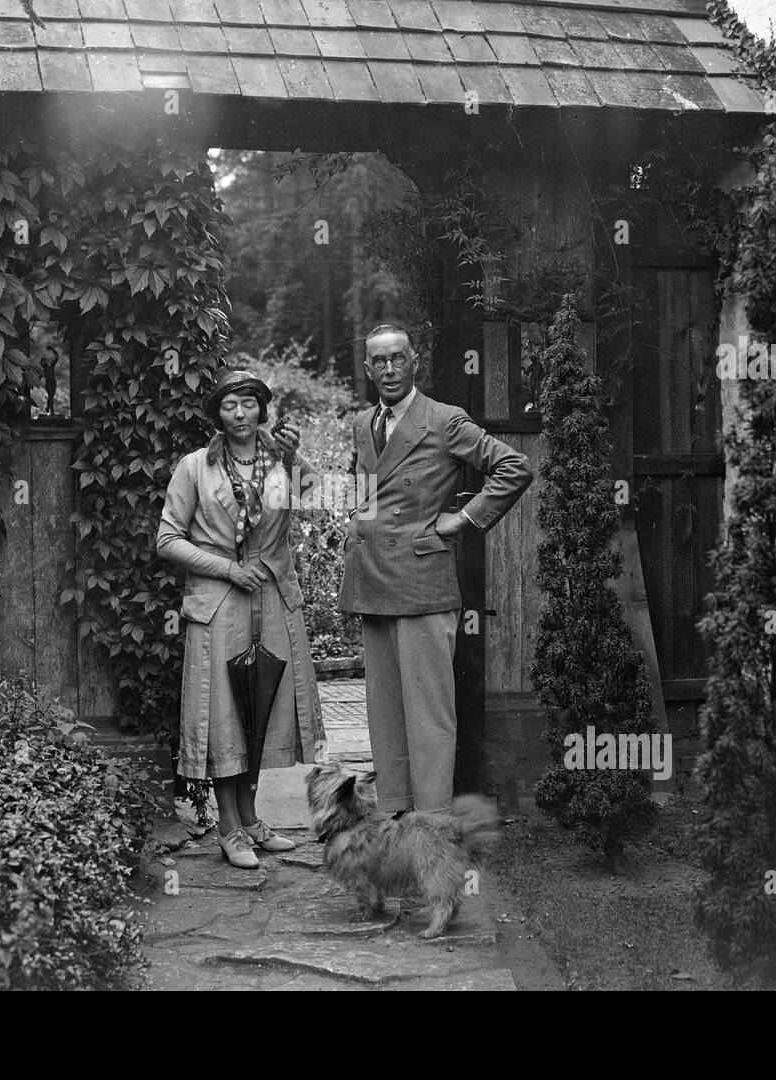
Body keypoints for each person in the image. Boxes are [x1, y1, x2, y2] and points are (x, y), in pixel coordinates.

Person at [339, 324, 534, 815]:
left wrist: (462, 520)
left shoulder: (445, 420)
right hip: (373, 581)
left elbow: (514, 467)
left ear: (415, 362)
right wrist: (352, 522)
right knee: (386, 715)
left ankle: (431, 830)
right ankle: (397, 820)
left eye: (397, 358)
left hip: (422, 583)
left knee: (429, 718)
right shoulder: (363, 423)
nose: (388, 369)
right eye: (378, 361)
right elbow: (364, 489)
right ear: (367, 368)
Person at [157, 368, 326, 869]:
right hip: (219, 602)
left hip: (272, 596)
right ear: (218, 414)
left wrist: (294, 458)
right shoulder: (194, 468)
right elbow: (168, 539)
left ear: (262, 410)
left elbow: (316, 494)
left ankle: (252, 818)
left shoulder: (278, 461)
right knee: (225, 713)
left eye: (249, 404)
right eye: (230, 406)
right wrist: (229, 569)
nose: (240, 414)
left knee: (264, 704)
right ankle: (229, 827)